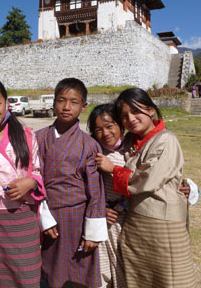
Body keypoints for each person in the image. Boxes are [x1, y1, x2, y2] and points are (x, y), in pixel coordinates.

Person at [96, 88, 196, 288]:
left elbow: (149, 178)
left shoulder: (166, 139)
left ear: (151, 110)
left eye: (136, 111)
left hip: (163, 224)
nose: (130, 119)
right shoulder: (132, 142)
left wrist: (113, 169)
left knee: (170, 277)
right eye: (124, 116)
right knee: (141, 278)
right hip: (136, 224)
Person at [0, 78, 56, 288]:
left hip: (24, 219)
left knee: (27, 277)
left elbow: (37, 170)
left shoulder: (26, 135)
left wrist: (30, 183)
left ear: (6, 101)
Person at [36, 78, 108, 288]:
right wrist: (43, 216)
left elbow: (96, 192)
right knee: (47, 271)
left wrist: (92, 233)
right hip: (45, 215)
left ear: (83, 107)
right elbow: (34, 179)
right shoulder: (37, 138)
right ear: (53, 103)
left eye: (74, 102)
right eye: (61, 100)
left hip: (76, 219)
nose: (66, 107)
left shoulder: (89, 144)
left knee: (77, 273)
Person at [88, 104, 127, 288]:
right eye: (98, 130)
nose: (105, 133)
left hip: (129, 221)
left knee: (127, 270)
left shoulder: (134, 149)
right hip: (103, 220)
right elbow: (85, 189)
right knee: (103, 271)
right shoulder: (93, 154)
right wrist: (100, 209)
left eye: (109, 126)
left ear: (120, 125)